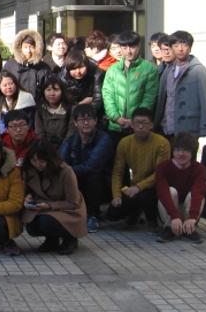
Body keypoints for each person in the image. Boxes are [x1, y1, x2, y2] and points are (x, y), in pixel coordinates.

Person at [107, 107, 170, 228]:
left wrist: (138, 187)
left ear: (151, 125)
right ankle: (135, 213)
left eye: (144, 123)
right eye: (137, 123)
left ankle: (152, 220)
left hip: (155, 187)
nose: (140, 126)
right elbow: (118, 172)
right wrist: (116, 195)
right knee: (112, 213)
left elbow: (160, 173)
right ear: (132, 124)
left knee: (146, 196)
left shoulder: (162, 143)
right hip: (134, 187)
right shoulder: (124, 143)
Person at [22, 139, 87, 254]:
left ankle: (70, 238)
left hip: (68, 210)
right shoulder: (29, 170)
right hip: (43, 207)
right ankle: (52, 239)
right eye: (33, 160)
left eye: (42, 161)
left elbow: (73, 202)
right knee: (32, 225)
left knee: (46, 221)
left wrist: (49, 205)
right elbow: (29, 190)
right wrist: (28, 197)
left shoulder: (65, 171)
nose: (37, 164)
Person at [59, 104, 113, 232]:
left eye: (89, 119)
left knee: (93, 177)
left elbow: (92, 166)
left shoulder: (104, 139)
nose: (86, 123)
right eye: (82, 120)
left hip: (103, 182)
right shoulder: (71, 140)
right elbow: (60, 162)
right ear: (75, 123)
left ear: (96, 121)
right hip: (77, 177)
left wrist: (69, 171)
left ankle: (93, 216)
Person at [154, 30, 206, 139]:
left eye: (184, 45)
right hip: (166, 128)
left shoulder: (198, 70)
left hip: (189, 129)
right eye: (176, 45)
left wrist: (205, 128)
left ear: (190, 48)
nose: (180, 49)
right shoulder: (168, 70)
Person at [101, 31, 159, 140]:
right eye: (124, 47)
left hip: (139, 127)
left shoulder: (149, 69)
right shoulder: (112, 70)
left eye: (132, 47)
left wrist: (135, 120)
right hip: (115, 127)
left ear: (139, 46)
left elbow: (149, 98)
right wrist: (116, 117)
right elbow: (107, 95)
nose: (129, 51)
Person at [155, 133, 206, 244]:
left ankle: (189, 229)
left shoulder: (200, 169)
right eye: (177, 150)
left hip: (188, 209)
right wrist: (174, 216)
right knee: (171, 191)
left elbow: (198, 192)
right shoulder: (163, 167)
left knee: (195, 194)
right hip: (169, 211)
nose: (181, 154)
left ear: (192, 152)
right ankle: (170, 228)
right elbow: (162, 192)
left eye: (185, 150)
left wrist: (193, 217)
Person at [3, 29, 50, 100]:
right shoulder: (10, 65)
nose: (28, 51)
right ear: (20, 48)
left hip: (37, 104)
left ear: (37, 48)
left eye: (31, 47)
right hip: (15, 103)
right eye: (25, 47)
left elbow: (48, 89)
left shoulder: (43, 67)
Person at [58, 48, 104, 122]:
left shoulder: (96, 72)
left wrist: (86, 115)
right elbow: (63, 104)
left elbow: (98, 98)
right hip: (72, 115)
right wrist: (81, 104)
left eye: (81, 67)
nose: (78, 72)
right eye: (74, 69)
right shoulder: (63, 78)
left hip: (93, 113)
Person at [34, 78, 73, 147]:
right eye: (48, 90)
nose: (52, 94)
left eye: (56, 90)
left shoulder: (70, 109)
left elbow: (71, 133)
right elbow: (39, 133)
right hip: (45, 148)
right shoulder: (40, 109)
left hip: (66, 147)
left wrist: (63, 148)